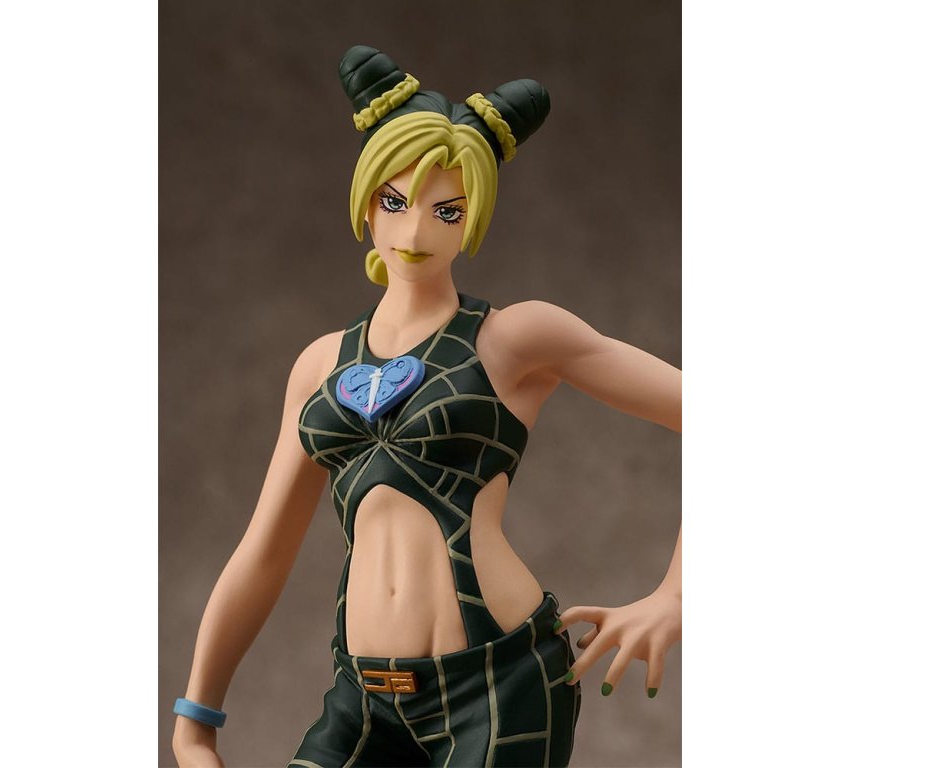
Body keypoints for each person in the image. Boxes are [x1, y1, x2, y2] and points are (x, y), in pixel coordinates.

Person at [172, 45, 681, 768]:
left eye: (447, 211)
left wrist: (674, 597)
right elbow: (264, 551)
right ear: (366, 200)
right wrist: (196, 718)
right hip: (362, 696)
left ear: (473, 219)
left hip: (499, 686)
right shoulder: (320, 365)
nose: (415, 232)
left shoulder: (515, 338)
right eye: (395, 202)